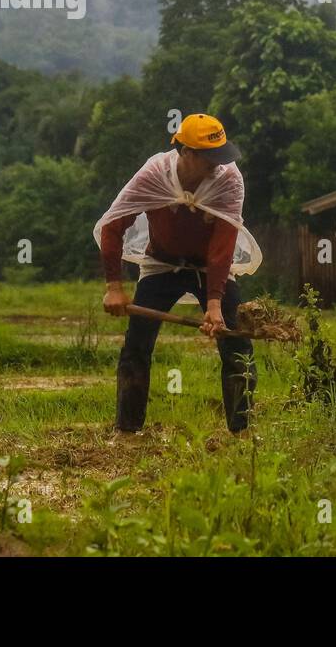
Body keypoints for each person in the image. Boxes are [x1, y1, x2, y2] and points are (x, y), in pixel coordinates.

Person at [97, 114, 260, 435]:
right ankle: (127, 431)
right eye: (210, 158)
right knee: (136, 345)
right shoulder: (154, 174)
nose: (218, 165)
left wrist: (214, 306)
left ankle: (243, 433)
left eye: (221, 157)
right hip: (161, 263)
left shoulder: (229, 179)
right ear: (187, 153)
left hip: (209, 265)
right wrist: (114, 287)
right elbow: (113, 227)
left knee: (236, 344)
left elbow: (222, 247)